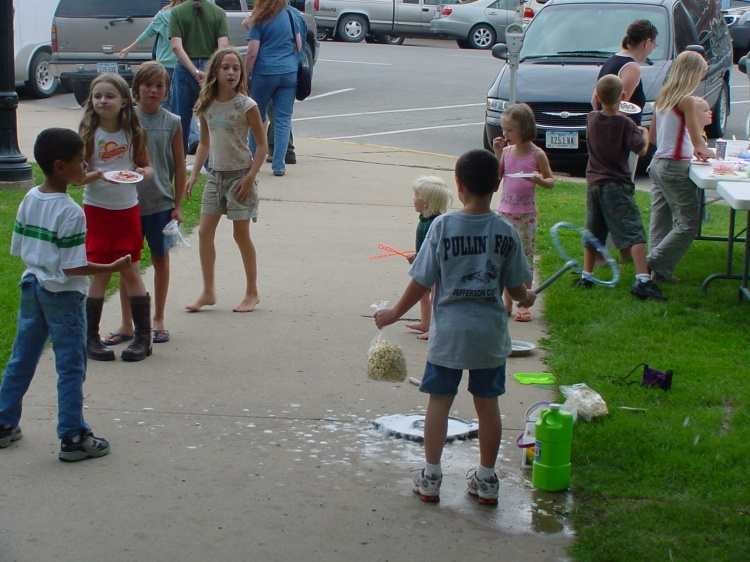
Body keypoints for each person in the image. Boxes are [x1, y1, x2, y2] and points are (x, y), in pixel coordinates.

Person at [374, 149, 536, 506]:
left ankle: (431, 476)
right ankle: (488, 479)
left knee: (439, 402)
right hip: (489, 337)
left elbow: (421, 280)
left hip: (449, 336)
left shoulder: (442, 227)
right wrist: (526, 297)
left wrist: (395, 312)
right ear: (497, 185)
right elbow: (516, 289)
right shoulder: (506, 232)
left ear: (459, 186)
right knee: (488, 406)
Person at [0, 128, 131, 461]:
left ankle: (4, 423)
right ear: (60, 166)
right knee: (71, 365)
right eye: (79, 161)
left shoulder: (30, 198)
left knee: (22, 358)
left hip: (32, 286)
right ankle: (73, 435)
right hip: (64, 296)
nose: (85, 166)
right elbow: (73, 269)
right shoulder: (71, 212)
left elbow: (20, 247)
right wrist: (111, 266)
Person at [104, 62, 186, 347]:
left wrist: (178, 204)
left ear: (166, 91)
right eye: (147, 85)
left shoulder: (172, 122)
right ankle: (127, 323)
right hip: (128, 203)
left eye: (159, 86)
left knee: (161, 260)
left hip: (160, 203)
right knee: (128, 263)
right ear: (136, 88)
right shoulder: (126, 120)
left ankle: (158, 319)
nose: (152, 90)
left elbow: (179, 166)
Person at [185, 48, 268, 313]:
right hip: (215, 176)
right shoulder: (207, 104)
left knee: (240, 235)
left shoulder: (247, 105)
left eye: (236, 68)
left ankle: (252, 292)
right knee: (204, 232)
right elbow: (205, 143)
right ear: (216, 71)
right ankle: (208, 291)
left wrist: (250, 177)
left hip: (240, 176)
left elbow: (263, 148)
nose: (231, 72)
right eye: (226, 68)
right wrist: (195, 172)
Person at [79, 73, 154, 362]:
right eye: (97, 96)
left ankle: (143, 338)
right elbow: (77, 178)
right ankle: (91, 338)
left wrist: (140, 174)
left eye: (109, 96)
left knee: (130, 269)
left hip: (126, 210)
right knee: (99, 272)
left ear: (124, 100)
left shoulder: (133, 132)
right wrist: (97, 174)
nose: (102, 101)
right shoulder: (88, 133)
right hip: (96, 210)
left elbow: (146, 167)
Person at [576, 74, 664, 300]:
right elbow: (641, 149)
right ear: (624, 96)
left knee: (593, 230)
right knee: (634, 231)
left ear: (597, 96)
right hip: (616, 185)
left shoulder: (591, 119)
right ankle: (643, 280)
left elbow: (600, 108)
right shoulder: (625, 124)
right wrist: (643, 132)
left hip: (594, 184)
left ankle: (587, 275)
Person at [647, 51, 713, 284]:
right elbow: (698, 144)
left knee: (660, 219)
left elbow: (653, 137)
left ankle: (658, 273)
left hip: (657, 163)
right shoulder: (688, 101)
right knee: (688, 223)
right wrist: (708, 152)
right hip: (675, 166)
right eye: (701, 74)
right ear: (693, 74)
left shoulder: (662, 98)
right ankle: (656, 260)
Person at [492, 103, 554, 322]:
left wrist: (539, 179)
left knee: (524, 259)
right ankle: (507, 303)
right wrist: (497, 152)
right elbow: (497, 178)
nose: (505, 134)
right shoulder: (507, 153)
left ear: (525, 129)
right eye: (504, 129)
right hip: (505, 214)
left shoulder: (536, 155)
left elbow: (550, 180)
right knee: (503, 258)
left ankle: (523, 303)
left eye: (510, 130)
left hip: (526, 216)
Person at [245, 0, 302, 177]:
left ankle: (254, 160)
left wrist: (246, 73)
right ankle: (279, 165)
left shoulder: (260, 17)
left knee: (256, 116)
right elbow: (299, 44)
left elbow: (252, 51)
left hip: (265, 72)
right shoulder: (291, 14)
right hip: (289, 72)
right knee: (283, 119)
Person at [170, 0, 229, 150]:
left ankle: (179, 166)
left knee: (180, 120)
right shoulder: (218, 12)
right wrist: (210, 71)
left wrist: (194, 71)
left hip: (185, 68)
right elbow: (223, 46)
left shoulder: (177, 12)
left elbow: (176, 47)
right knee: (211, 120)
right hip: (210, 67)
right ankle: (213, 165)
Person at [405, 176, 451, 340]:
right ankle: (425, 322)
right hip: (426, 262)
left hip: (435, 267)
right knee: (422, 294)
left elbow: (434, 249)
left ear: (427, 203)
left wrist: (420, 259)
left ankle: (434, 328)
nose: (413, 199)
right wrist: (418, 256)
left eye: (416, 195)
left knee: (435, 296)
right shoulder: (424, 219)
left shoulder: (434, 223)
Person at [592, 19, 658, 124]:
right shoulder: (632, 68)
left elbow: (594, 100)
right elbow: (619, 108)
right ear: (647, 42)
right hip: (623, 135)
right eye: (654, 44)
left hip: (605, 131)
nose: (654, 48)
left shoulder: (610, 61)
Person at [119, 0, 186, 98]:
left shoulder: (162, 15)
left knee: (164, 98)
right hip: (183, 62)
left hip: (164, 64)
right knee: (179, 99)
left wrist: (128, 49)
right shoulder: (189, 15)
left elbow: (147, 34)